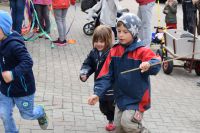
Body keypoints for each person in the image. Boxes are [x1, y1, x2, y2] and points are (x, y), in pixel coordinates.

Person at [88, 13, 161, 133]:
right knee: (118, 127)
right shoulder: (114, 51)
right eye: (119, 31)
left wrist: (149, 64)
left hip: (137, 99)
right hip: (120, 98)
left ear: (134, 32)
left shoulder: (142, 50)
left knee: (128, 123)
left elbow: (156, 62)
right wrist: (97, 93)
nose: (121, 34)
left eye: (125, 32)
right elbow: (105, 75)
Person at [0, 10, 48, 133]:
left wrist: (12, 74)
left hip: (23, 89)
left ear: (4, 29)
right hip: (5, 89)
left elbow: (28, 62)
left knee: (27, 115)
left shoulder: (15, 45)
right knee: (4, 114)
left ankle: (40, 112)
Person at [80, 25, 116, 131]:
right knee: (103, 106)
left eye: (102, 41)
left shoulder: (111, 53)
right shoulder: (94, 52)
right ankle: (110, 117)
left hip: (111, 86)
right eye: (96, 41)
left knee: (112, 105)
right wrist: (84, 73)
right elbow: (88, 64)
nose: (98, 44)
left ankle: (113, 120)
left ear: (108, 41)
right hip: (99, 86)